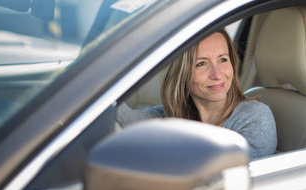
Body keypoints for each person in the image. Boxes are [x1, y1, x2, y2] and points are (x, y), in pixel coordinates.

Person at [116, 29, 277, 159]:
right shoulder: (172, 115)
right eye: (201, 63)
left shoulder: (254, 117)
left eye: (222, 60)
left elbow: (228, 183)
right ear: (180, 74)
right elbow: (123, 120)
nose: (217, 74)